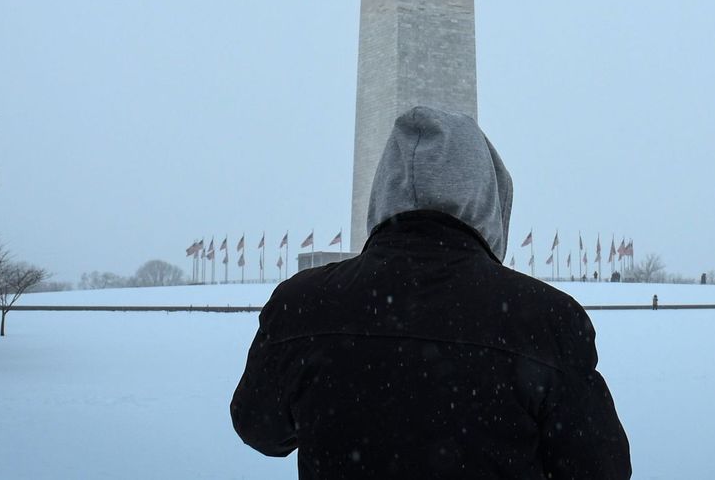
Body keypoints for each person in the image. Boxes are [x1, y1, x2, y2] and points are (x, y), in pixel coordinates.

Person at [231, 107, 631, 478]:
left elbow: (259, 428)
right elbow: (598, 468)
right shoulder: (546, 318)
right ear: (489, 198)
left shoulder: (303, 304)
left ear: (384, 191)